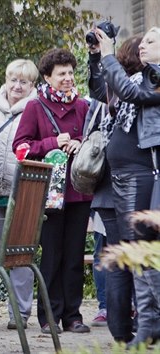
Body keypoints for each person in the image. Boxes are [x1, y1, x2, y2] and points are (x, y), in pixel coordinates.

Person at [13, 48, 92, 334]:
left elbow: (95, 138)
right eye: (62, 74)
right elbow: (20, 148)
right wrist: (52, 143)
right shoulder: (35, 107)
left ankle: (73, 316)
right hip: (48, 194)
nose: (68, 78)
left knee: (74, 257)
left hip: (79, 191)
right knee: (52, 255)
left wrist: (80, 142)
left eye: (71, 72)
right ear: (47, 77)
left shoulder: (83, 106)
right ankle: (48, 317)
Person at [95, 26, 160, 348]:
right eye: (143, 41)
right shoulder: (146, 76)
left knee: (139, 250)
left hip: (140, 174)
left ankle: (149, 326)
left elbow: (131, 94)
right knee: (132, 251)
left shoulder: (154, 79)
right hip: (124, 176)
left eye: (150, 41)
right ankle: (144, 327)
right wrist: (99, 56)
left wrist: (109, 55)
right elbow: (110, 93)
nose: (142, 46)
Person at [86, 34, 144, 343]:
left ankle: (121, 329)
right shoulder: (135, 85)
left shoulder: (117, 85)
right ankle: (128, 326)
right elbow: (99, 87)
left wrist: (97, 58)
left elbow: (96, 87)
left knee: (119, 256)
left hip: (110, 184)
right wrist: (99, 55)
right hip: (128, 183)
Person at [0, 59, 39, 330]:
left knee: (20, 255)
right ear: (5, 79)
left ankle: (20, 313)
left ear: (32, 85)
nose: (17, 86)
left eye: (23, 81)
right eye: (13, 79)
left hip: (22, 192)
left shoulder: (37, 108)